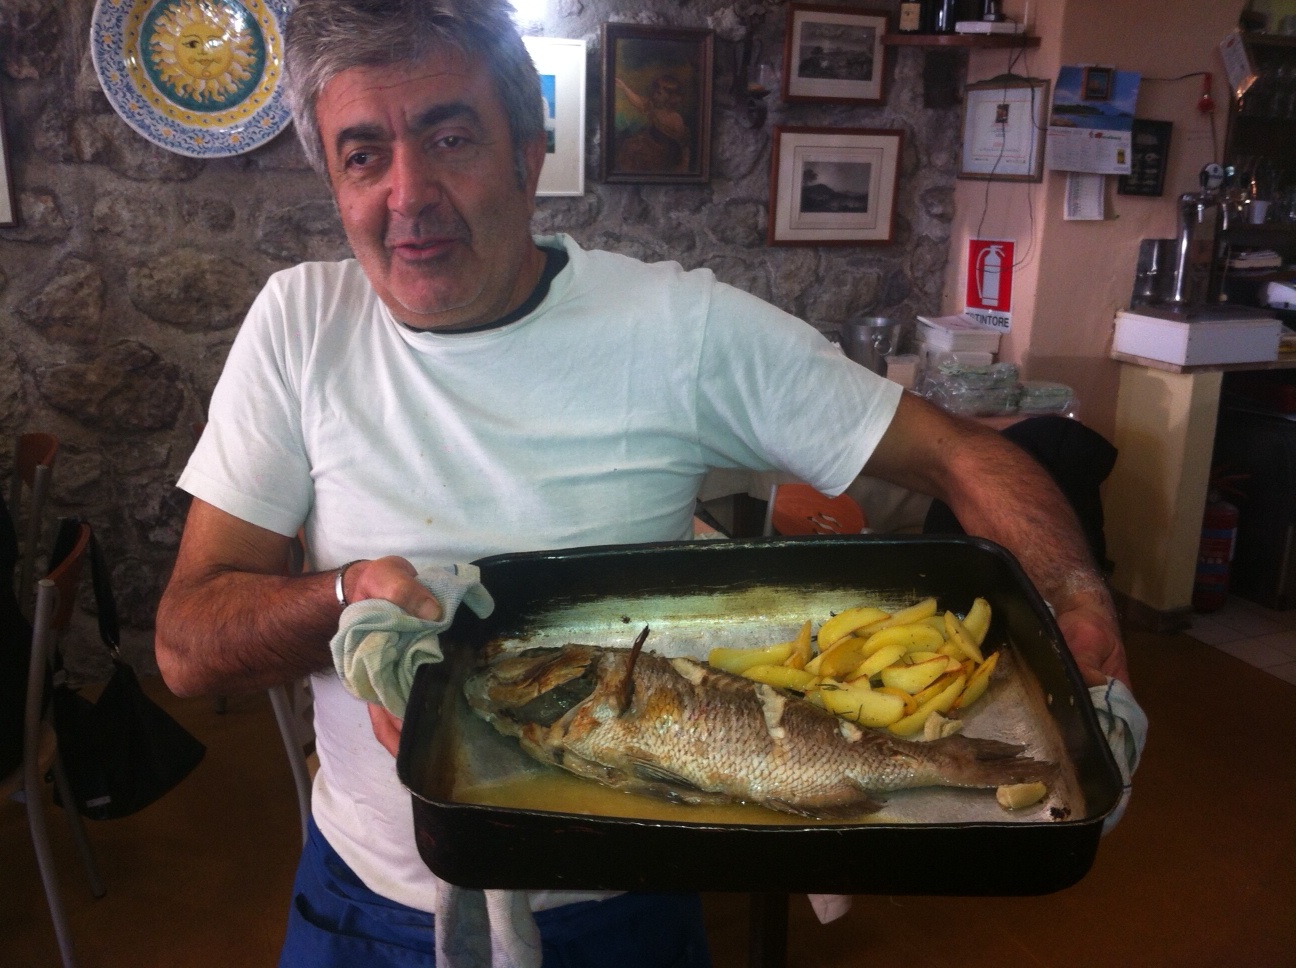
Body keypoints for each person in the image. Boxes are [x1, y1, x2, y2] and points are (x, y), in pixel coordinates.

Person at [154, 0, 1133, 964]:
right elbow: (189, 642)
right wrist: (344, 594)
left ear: (530, 151)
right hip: (363, 900)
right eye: (363, 154)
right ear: (334, 177)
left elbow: (968, 454)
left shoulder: (678, 329)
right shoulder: (298, 324)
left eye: (450, 137)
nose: (407, 196)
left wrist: (1079, 598)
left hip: (619, 911)